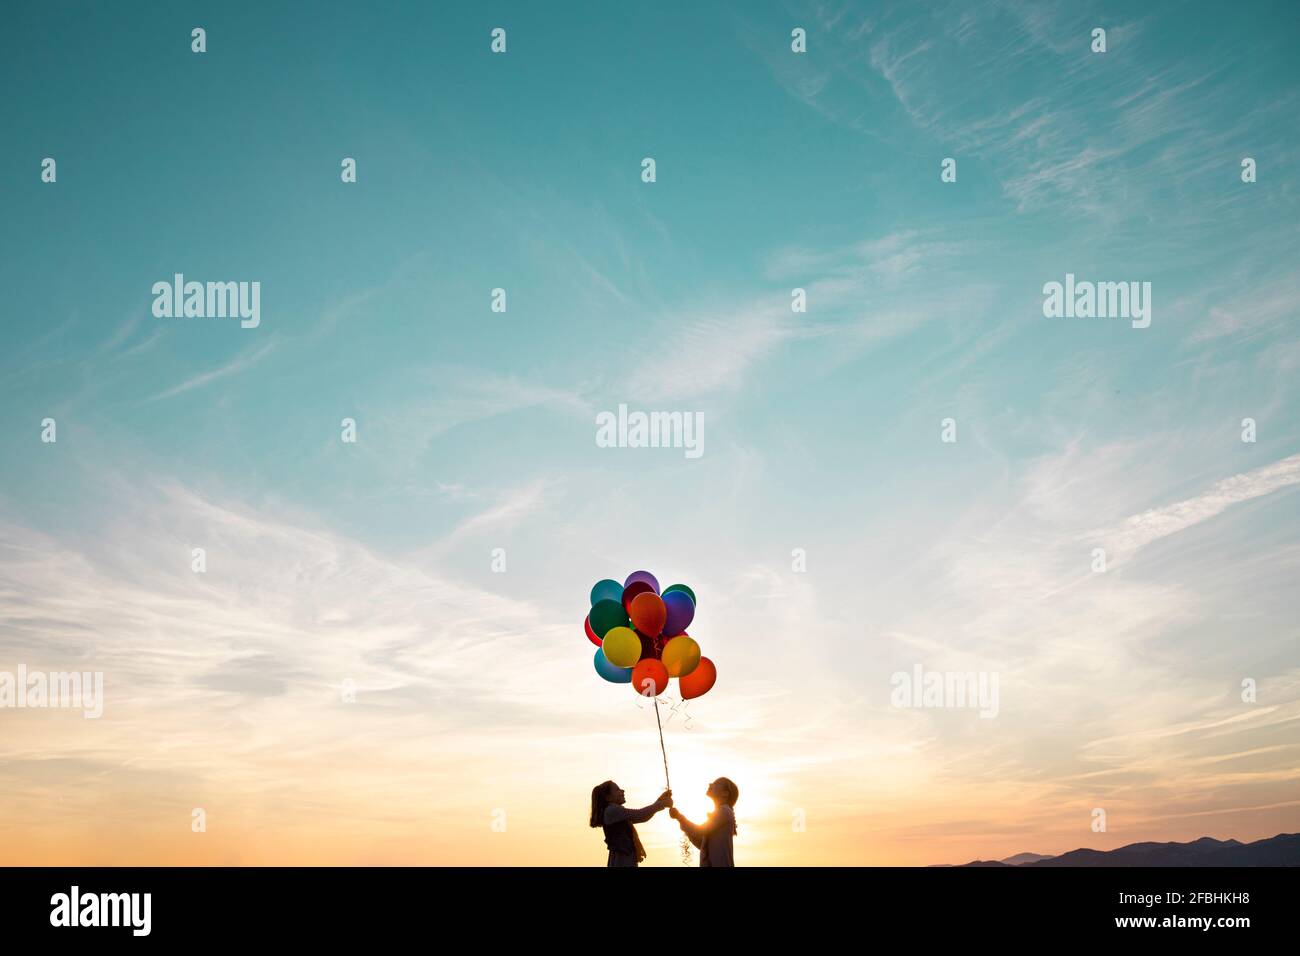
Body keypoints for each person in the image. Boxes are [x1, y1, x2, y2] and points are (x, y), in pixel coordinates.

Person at [589, 781, 672, 867]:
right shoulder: (611, 811)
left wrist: (660, 800)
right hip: (622, 860)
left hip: (623, 858)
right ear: (608, 797)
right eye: (617, 790)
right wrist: (661, 803)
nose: (622, 791)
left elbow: (643, 816)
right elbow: (640, 815)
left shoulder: (613, 811)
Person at [670, 777, 738, 867]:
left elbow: (700, 831)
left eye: (717, 783)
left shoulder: (724, 810)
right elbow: (702, 845)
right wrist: (681, 820)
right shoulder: (720, 813)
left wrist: (680, 818)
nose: (710, 784)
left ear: (725, 793)